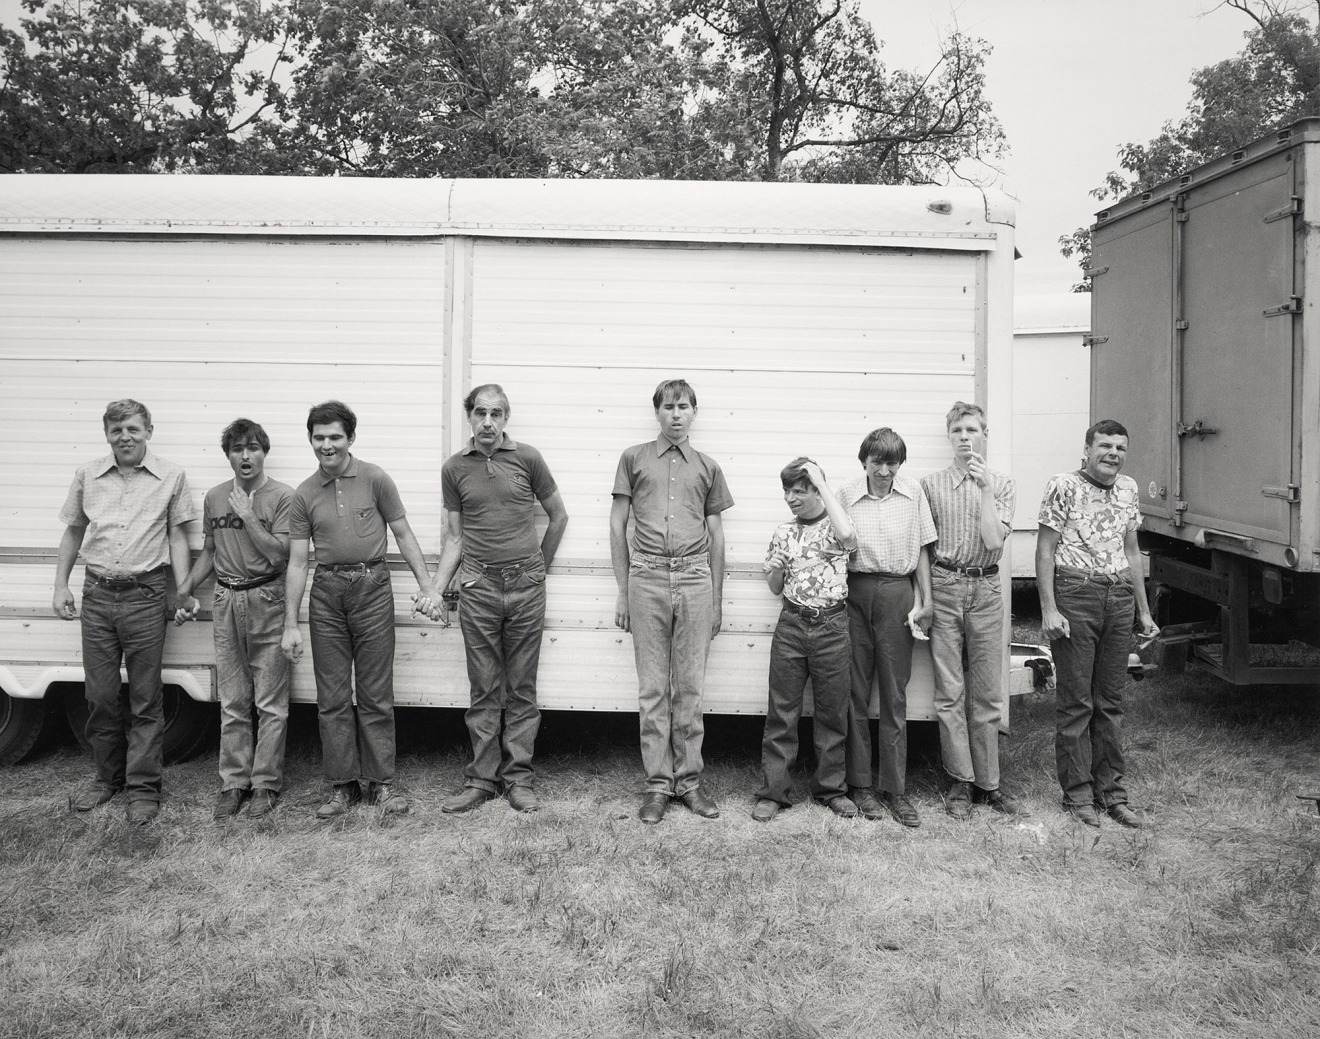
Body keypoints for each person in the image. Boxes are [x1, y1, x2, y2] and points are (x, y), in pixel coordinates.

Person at [280, 400, 443, 819]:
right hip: (327, 595)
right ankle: (342, 786)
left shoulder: (375, 479)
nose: (326, 445)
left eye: (335, 437)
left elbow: (404, 534)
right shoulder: (303, 493)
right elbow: (298, 562)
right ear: (311, 440)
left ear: (351, 438)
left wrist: (429, 587)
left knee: (375, 693)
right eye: (319, 438)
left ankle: (382, 785)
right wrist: (289, 624)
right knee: (331, 697)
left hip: (372, 589)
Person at [54, 399, 197, 825]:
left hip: (146, 596)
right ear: (107, 435)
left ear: (149, 430)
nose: (125, 437)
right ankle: (106, 779)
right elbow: (73, 530)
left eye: (133, 429)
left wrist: (183, 591)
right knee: (99, 695)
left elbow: (177, 538)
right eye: (117, 431)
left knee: (145, 697)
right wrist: (60, 584)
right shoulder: (88, 475)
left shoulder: (170, 475)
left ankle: (143, 789)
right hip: (97, 595)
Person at [429, 385, 568, 814]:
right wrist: (436, 587)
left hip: (526, 587)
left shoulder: (528, 458)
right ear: (469, 417)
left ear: (506, 418)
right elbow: (455, 536)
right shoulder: (454, 469)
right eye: (480, 413)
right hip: (479, 589)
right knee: (484, 687)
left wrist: (538, 567)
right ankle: (481, 781)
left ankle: (519, 779)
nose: (488, 422)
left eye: (497, 413)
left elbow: (558, 515)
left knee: (522, 688)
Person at [610, 378, 734, 824]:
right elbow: (617, 525)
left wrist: (717, 599)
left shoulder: (707, 466)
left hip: (696, 576)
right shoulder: (633, 459)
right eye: (668, 407)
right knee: (652, 688)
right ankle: (658, 786)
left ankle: (691, 783)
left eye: (684, 406)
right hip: (647, 577)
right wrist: (624, 589)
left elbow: (717, 534)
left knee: (691, 687)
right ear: (657, 412)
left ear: (694, 412)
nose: (676, 414)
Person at [1036, 419, 1159, 828]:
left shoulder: (1128, 488)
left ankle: (1113, 795)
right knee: (1076, 702)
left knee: (1110, 702)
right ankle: (1078, 796)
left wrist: (1143, 611)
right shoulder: (1064, 485)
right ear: (1087, 450)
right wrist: (1049, 609)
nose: (1113, 453)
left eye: (1120, 448)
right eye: (1105, 445)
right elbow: (1045, 550)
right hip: (1076, 593)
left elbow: (1132, 549)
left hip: (1119, 595)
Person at [175, 418, 293, 820]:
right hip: (226, 599)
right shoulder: (214, 497)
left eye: (254, 447)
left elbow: (281, 556)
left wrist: (248, 515)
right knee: (233, 699)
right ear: (228, 455)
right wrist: (186, 587)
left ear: (265, 452)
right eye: (238, 449)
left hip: (267, 597)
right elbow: (209, 550)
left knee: (271, 702)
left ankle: (264, 785)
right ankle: (234, 783)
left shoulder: (282, 497)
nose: (246, 456)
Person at [921, 402, 1026, 820]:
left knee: (986, 692)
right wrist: (926, 599)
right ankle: (960, 782)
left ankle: (989, 784)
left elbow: (994, 540)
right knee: (950, 692)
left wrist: (984, 489)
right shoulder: (930, 485)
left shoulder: (1001, 484)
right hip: (945, 585)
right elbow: (924, 550)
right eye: (957, 431)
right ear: (949, 436)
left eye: (973, 430)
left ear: (985, 434)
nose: (965, 437)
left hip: (985, 587)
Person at [836, 427, 936, 828]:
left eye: (892, 462)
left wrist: (926, 601)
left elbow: (924, 550)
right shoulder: (845, 494)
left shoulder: (913, 494)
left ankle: (894, 789)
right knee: (855, 690)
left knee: (894, 693)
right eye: (877, 461)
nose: (884, 469)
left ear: (900, 464)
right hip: (855, 592)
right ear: (864, 461)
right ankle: (860, 785)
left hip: (897, 591)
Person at [752, 459, 858, 823]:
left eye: (800, 489)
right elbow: (775, 587)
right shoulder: (783, 532)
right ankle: (773, 792)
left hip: (831, 627)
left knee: (832, 713)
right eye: (787, 490)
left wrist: (821, 479)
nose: (790, 497)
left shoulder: (836, 525)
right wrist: (777, 569)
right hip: (792, 625)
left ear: (817, 490)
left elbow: (848, 538)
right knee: (782, 712)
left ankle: (831, 790)